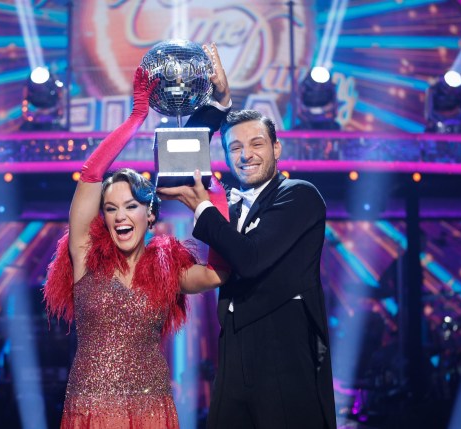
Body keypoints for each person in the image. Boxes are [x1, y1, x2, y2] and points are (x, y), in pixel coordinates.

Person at [44, 46, 231, 429]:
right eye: (111, 209)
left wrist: (214, 192)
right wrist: (136, 117)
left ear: (149, 214)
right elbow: (91, 175)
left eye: (130, 206)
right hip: (90, 411)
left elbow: (217, 273)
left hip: (151, 412)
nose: (119, 216)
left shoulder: (167, 269)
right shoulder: (84, 257)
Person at [159, 110, 337, 428]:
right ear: (226, 156)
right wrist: (218, 104)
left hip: (283, 345)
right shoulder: (227, 203)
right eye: (236, 147)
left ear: (276, 149)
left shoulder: (299, 195)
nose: (247, 155)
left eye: (256, 144)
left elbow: (250, 259)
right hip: (233, 344)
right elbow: (184, 157)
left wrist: (202, 207)